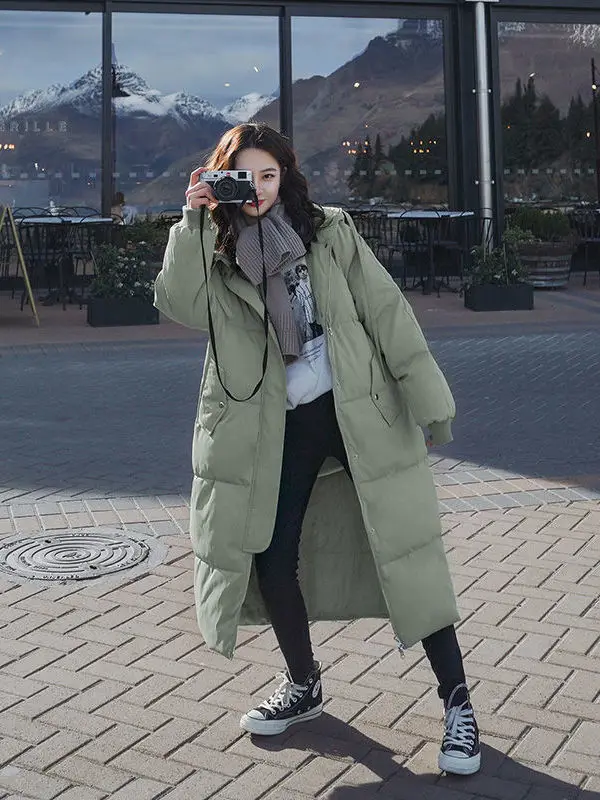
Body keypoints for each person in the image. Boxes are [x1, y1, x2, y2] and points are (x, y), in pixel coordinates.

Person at [154, 123, 481, 776]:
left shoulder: (330, 230)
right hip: (279, 421)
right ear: (223, 178)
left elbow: (388, 312)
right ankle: (303, 683)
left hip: (356, 408)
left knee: (406, 550)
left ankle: (458, 705)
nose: (257, 191)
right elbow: (179, 304)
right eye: (242, 177)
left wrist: (428, 398)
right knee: (271, 555)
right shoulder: (216, 249)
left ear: (286, 176)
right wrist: (187, 225)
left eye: (268, 176)